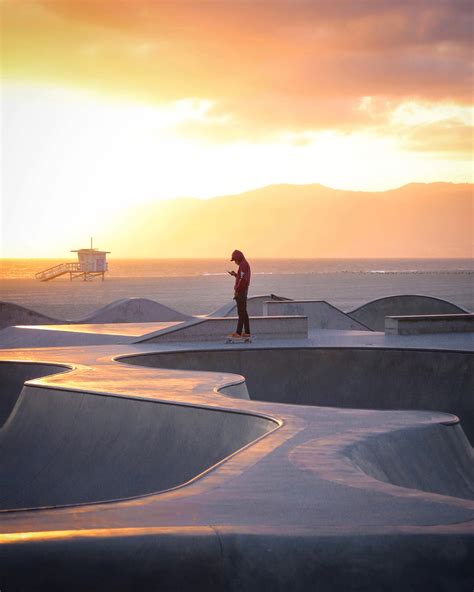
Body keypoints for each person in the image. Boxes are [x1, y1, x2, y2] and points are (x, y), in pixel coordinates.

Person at [228, 249, 251, 339]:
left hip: (241, 291)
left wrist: (237, 290)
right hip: (243, 290)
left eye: (235, 260)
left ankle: (238, 333)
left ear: (238, 258)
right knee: (244, 312)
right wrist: (235, 274)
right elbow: (242, 277)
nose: (235, 262)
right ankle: (247, 332)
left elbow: (242, 280)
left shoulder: (243, 265)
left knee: (241, 312)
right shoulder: (244, 264)